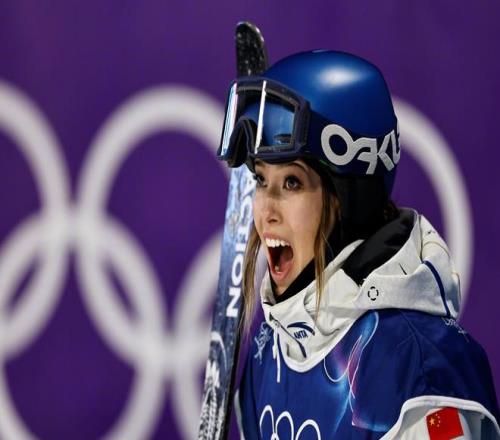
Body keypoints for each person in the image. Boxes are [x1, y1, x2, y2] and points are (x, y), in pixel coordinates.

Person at [217, 50, 500, 439]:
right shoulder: (270, 351)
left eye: (292, 183)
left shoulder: (419, 375)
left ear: (348, 197)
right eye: (262, 180)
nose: (265, 211)